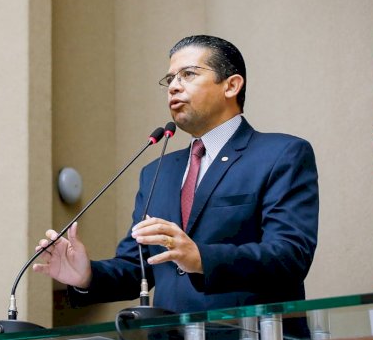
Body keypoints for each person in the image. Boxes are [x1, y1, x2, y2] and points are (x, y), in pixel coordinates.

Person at [34, 35, 319, 318]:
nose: (173, 86)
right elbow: (139, 267)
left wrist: (201, 258)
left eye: (188, 74)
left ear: (231, 85)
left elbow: (289, 256)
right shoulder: (158, 171)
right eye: (169, 79)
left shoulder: (281, 154)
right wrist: (86, 276)